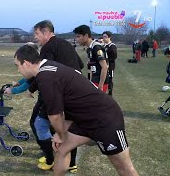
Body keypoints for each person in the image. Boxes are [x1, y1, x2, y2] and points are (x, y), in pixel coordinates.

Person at [13, 45, 139, 176]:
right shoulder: (46, 67)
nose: (18, 70)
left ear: (26, 64)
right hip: (84, 119)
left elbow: (55, 116)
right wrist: (60, 134)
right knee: (61, 150)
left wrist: (61, 135)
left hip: (105, 118)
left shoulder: (45, 78)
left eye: (18, 65)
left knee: (124, 169)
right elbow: (68, 104)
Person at [29, 20, 83, 172]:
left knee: (39, 123)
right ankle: (72, 163)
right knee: (67, 128)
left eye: (37, 33)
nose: (35, 37)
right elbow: (80, 64)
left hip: (60, 93)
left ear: (46, 32)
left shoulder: (47, 47)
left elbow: (44, 73)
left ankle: (50, 159)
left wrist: (31, 89)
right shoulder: (65, 44)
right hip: (74, 92)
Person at [73, 25, 109, 92]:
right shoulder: (90, 49)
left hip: (99, 81)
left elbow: (104, 67)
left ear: (86, 36)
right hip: (95, 80)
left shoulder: (96, 47)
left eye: (78, 36)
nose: (76, 39)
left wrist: (100, 86)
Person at [102, 31, 118, 96]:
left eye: (105, 37)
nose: (104, 38)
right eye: (103, 37)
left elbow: (114, 56)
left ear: (109, 37)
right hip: (104, 65)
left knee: (110, 78)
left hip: (110, 66)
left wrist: (107, 60)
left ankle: (110, 93)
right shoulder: (104, 46)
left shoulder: (112, 46)